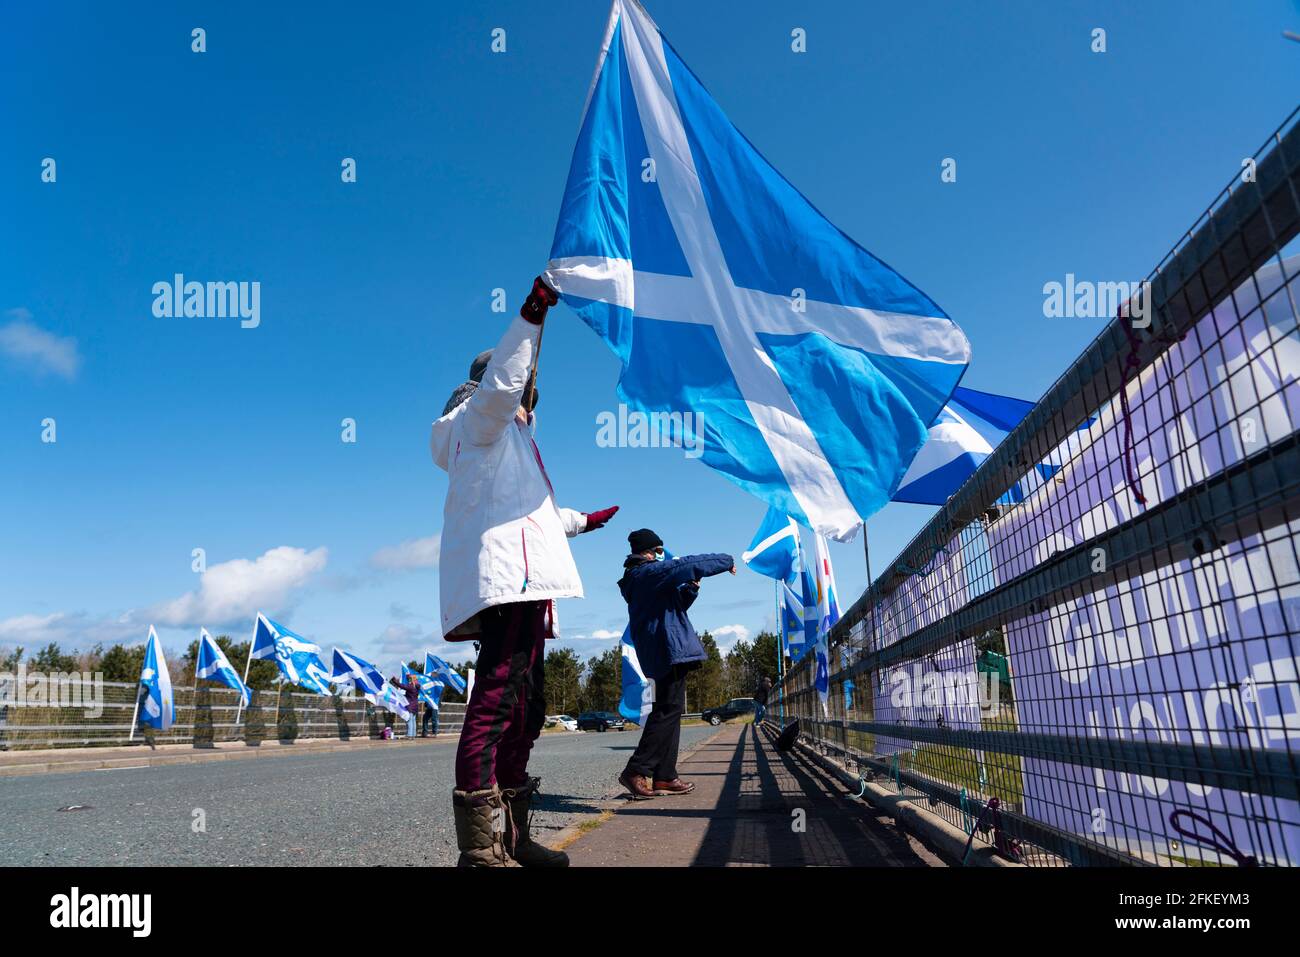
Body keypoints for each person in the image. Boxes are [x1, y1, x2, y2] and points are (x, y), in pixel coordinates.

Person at [431, 277, 618, 867]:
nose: (530, 404)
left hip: (528, 583)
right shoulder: (479, 421)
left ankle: (513, 836)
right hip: (510, 583)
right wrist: (533, 315)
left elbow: (535, 516)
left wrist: (584, 520)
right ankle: (480, 851)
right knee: (494, 703)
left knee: (526, 708)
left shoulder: (502, 442)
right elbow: (503, 382)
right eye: (528, 393)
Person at [616, 528, 735, 799]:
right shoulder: (647, 573)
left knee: (669, 710)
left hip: (661, 650)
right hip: (666, 650)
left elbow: (673, 608)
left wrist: (691, 589)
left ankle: (665, 777)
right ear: (648, 551)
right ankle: (635, 770)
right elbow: (688, 564)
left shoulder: (642, 578)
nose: (661, 555)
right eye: (658, 550)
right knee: (666, 711)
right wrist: (726, 560)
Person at [389, 673, 420, 739]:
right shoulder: (417, 686)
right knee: (413, 720)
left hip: (410, 706)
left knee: (409, 720)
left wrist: (394, 680)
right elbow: (411, 680)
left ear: (411, 680)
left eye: (409, 680)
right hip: (415, 706)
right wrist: (408, 676)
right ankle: (413, 735)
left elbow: (401, 686)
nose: (409, 681)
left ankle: (409, 735)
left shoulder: (411, 687)